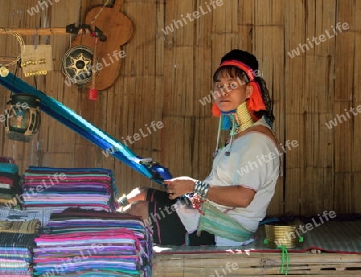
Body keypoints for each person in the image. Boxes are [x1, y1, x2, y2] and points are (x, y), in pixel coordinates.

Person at [118, 49, 280, 247]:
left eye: (232, 85)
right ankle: (101, 212)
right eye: (219, 86)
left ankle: (95, 236)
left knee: (138, 210)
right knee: (140, 193)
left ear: (248, 91)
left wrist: (195, 187)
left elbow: (243, 197)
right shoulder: (238, 134)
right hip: (205, 211)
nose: (223, 91)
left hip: (222, 229)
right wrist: (193, 191)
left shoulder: (257, 141)